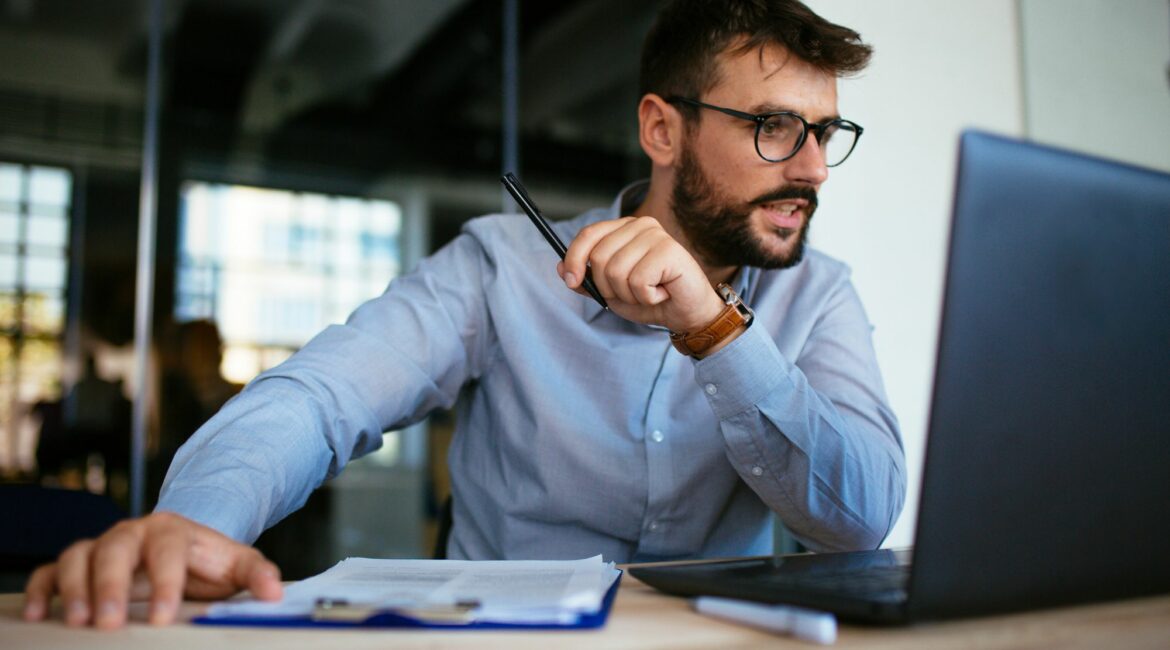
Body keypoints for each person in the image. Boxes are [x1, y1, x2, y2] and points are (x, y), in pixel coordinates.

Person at [24, 0, 905, 629]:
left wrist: (713, 329)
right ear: (663, 130)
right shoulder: (503, 265)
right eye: (776, 128)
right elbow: (321, 398)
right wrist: (195, 523)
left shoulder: (819, 292)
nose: (815, 171)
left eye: (826, 134)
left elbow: (859, 516)